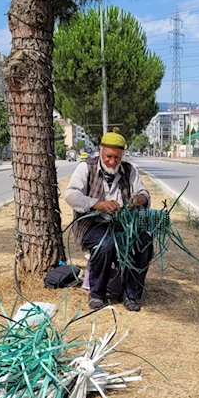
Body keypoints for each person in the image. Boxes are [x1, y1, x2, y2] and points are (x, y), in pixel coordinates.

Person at [65, 129, 152, 312]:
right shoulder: (85, 167)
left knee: (144, 241)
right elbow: (71, 195)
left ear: (123, 155)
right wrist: (98, 204)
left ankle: (131, 294)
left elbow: (144, 193)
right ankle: (97, 293)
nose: (112, 162)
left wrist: (138, 200)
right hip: (91, 225)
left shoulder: (129, 170)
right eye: (108, 156)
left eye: (117, 157)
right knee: (107, 243)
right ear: (100, 151)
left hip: (122, 225)